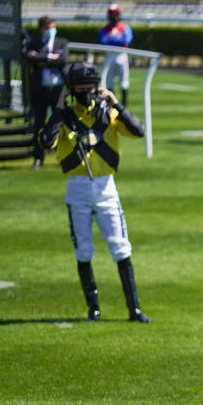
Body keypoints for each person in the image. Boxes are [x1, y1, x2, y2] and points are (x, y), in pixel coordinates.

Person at [38, 62, 151, 323]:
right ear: (70, 90)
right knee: (83, 250)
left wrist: (115, 104)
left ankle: (134, 309)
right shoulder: (65, 116)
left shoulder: (107, 114)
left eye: (91, 88)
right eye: (80, 89)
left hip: (106, 186)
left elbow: (138, 130)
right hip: (77, 188)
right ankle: (94, 309)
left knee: (120, 247)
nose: (87, 94)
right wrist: (58, 107)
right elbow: (46, 141)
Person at [24, 16, 68, 169]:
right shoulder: (34, 43)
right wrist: (50, 57)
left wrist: (42, 59)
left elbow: (63, 60)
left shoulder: (61, 42)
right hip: (40, 89)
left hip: (57, 89)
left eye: (53, 26)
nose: (51, 30)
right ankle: (38, 157)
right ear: (42, 28)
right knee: (39, 123)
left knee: (61, 122)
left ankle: (62, 155)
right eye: (49, 27)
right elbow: (29, 57)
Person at [99, 4, 133, 106]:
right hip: (109, 56)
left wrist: (112, 39)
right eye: (111, 14)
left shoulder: (124, 27)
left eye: (115, 14)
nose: (113, 16)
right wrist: (118, 40)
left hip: (122, 56)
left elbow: (126, 41)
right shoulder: (105, 29)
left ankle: (124, 107)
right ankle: (110, 105)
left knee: (124, 82)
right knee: (109, 82)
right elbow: (103, 41)